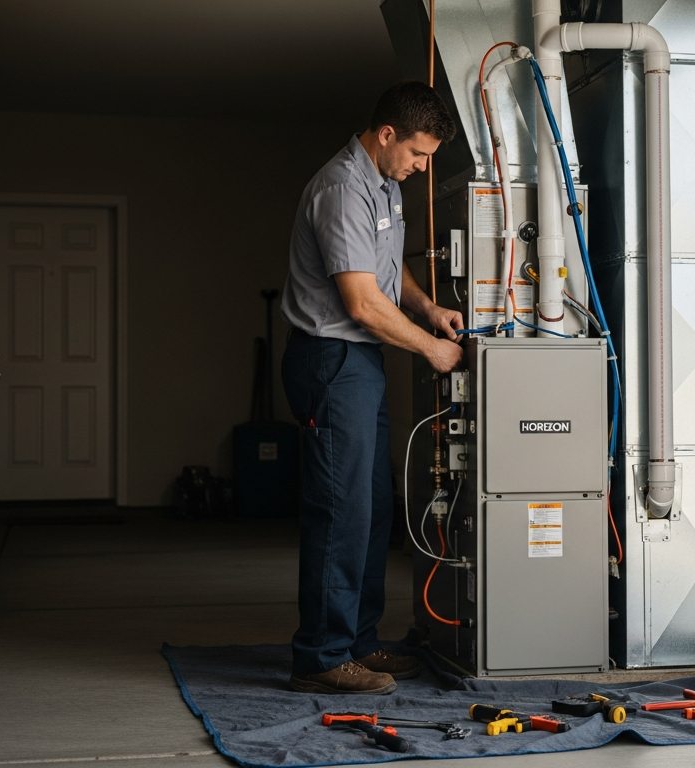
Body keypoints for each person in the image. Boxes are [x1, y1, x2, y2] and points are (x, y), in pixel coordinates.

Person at [279, 81, 463, 695]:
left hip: (359, 366)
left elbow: (387, 268)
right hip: (332, 360)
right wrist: (432, 348)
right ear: (386, 134)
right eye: (417, 154)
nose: (420, 167)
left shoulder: (383, 185)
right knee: (341, 509)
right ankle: (321, 656)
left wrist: (428, 308)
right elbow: (360, 302)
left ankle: (358, 643)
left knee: (373, 506)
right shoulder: (339, 188)